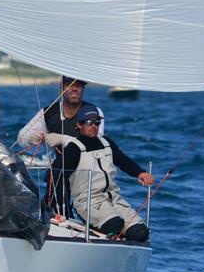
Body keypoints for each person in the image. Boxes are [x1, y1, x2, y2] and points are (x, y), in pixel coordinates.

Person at [52, 105, 153, 242]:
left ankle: (118, 238)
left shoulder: (107, 143)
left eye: (97, 122)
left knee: (141, 233)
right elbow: (57, 175)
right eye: (88, 122)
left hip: (113, 199)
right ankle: (111, 234)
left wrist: (140, 173)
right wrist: (63, 209)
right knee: (115, 224)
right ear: (79, 125)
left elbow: (122, 160)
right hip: (88, 202)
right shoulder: (73, 149)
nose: (93, 126)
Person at [17, 76, 105, 215]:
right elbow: (21, 136)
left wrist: (63, 139)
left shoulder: (93, 112)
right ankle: (55, 215)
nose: (74, 88)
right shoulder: (49, 112)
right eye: (69, 85)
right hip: (59, 172)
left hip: (86, 170)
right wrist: (31, 137)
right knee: (55, 174)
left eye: (79, 85)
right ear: (61, 89)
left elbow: (96, 145)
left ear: (83, 89)